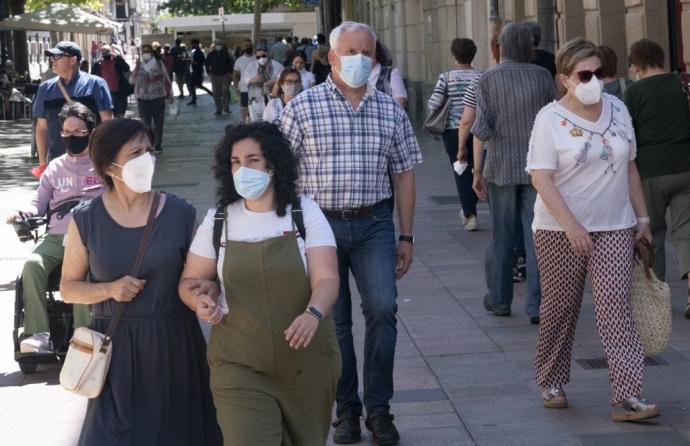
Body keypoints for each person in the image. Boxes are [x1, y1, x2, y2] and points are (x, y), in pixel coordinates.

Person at [280, 21, 422, 445]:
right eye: (352, 51)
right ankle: (347, 411)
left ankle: (379, 409)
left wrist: (407, 236)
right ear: (332, 56)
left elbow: (405, 174)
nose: (361, 59)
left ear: (375, 58)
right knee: (334, 322)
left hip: (375, 223)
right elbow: (279, 172)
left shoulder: (390, 110)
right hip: (319, 226)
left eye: (368, 52)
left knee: (382, 308)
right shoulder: (302, 108)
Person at [60, 118, 223, 445]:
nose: (147, 159)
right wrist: (109, 289)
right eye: (136, 153)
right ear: (110, 166)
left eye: (149, 150)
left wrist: (208, 292)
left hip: (174, 346)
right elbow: (68, 288)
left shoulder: (180, 214)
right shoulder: (85, 219)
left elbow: (205, 277)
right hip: (115, 350)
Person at [179, 122, 340, 445]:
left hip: (307, 365)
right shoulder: (219, 220)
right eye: (235, 162)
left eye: (252, 159)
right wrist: (199, 299)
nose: (242, 169)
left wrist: (313, 314)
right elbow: (190, 281)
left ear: (273, 163)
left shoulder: (304, 213)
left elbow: (327, 278)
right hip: (239, 364)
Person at [528, 37, 660, 421]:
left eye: (600, 73)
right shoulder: (549, 119)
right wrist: (571, 226)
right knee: (560, 307)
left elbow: (631, 167)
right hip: (559, 229)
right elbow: (542, 179)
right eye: (584, 74)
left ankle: (628, 395)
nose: (594, 81)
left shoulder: (618, 108)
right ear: (564, 79)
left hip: (615, 225)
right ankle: (551, 379)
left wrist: (643, 219)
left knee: (616, 308)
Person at [472, 23, 555, 324]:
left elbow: (482, 128)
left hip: (501, 168)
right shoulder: (543, 76)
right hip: (539, 168)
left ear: (502, 46)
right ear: (530, 47)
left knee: (502, 237)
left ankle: (499, 299)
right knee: (537, 238)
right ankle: (536, 306)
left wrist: (476, 170)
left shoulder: (489, 78)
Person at [5, 102, 101, 353]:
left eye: (79, 132)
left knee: (83, 273)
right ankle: (38, 334)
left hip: (92, 237)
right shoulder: (54, 168)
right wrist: (22, 214)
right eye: (66, 132)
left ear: (91, 131)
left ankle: (84, 336)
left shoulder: (104, 165)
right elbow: (38, 204)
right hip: (58, 235)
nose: (72, 137)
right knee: (32, 265)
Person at [624, 38, 690, 316]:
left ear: (636, 65)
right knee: (686, 232)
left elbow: (628, 135)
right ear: (661, 58)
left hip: (649, 172)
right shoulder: (683, 83)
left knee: (651, 233)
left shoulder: (635, 93)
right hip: (685, 167)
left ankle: (657, 297)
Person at [33, 41, 113, 176]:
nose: (53, 60)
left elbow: (108, 124)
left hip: (92, 164)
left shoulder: (95, 84)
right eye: (52, 57)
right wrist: (43, 165)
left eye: (58, 57)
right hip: (58, 164)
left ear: (73, 60)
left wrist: (108, 159)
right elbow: (41, 129)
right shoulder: (45, 89)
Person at [428, 38, 481, 232]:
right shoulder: (482, 76)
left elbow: (434, 103)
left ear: (454, 56)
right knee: (477, 170)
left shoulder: (447, 77)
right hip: (478, 131)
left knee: (461, 172)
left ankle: (470, 214)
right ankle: (470, 208)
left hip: (453, 131)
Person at [131, 44, 173, 153]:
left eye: (147, 51)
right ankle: (149, 144)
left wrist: (170, 93)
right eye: (143, 52)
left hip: (158, 97)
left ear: (152, 52)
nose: (145, 54)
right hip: (143, 98)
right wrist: (136, 66)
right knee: (145, 124)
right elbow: (131, 81)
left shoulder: (159, 63)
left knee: (158, 123)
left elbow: (167, 78)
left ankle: (158, 144)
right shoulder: (139, 64)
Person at [240, 44, 284, 119]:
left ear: (268, 54)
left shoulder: (277, 65)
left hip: (273, 98)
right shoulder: (251, 66)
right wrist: (251, 80)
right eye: (258, 57)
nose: (261, 58)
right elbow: (244, 79)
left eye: (263, 56)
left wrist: (274, 82)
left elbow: (283, 78)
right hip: (256, 98)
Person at [91, 44, 132, 118]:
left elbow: (126, 68)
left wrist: (118, 58)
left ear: (110, 52)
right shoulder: (97, 65)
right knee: (107, 118)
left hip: (119, 94)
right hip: (104, 95)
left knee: (119, 116)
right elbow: (92, 78)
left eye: (106, 52)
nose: (104, 54)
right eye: (103, 52)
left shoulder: (117, 61)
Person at [369, 41, 406, 108]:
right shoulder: (353, 75)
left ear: (375, 53)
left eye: (366, 52)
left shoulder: (390, 73)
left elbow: (400, 104)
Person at [205, 40, 234, 115]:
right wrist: (208, 72)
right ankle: (218, 109)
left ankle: (226, 108)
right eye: (217, 44)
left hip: (224, 75)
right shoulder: (211, 54)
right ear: (214, 45)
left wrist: (230, 73)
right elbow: (207, 63)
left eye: (219, 44)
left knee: (225, 91)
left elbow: (229, 64)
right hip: (214, 76)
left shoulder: (226, 53)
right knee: (216, 93)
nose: (218, 46)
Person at [233, 39, 255, 122]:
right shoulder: (239, 61)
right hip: (244, 88)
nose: (248, 47)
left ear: (252, 47)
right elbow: (235, 75)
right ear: (243, 47)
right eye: (246, 46)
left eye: (250, 45)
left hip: (257, 88)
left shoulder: (257, 58)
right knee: (244, 108)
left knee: (257, 107)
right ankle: (244, 124)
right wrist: (236, 88)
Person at [187, 39, 213, 106]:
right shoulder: (198, 52)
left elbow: (200, 62)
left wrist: (191, 61)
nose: (192, 45)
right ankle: (211, 94)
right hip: (197, 71)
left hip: (197, 71)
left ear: (196, 44)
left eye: (192, 44)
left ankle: (194, 99)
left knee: (193, 85)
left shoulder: (198, 52)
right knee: (197, 85)